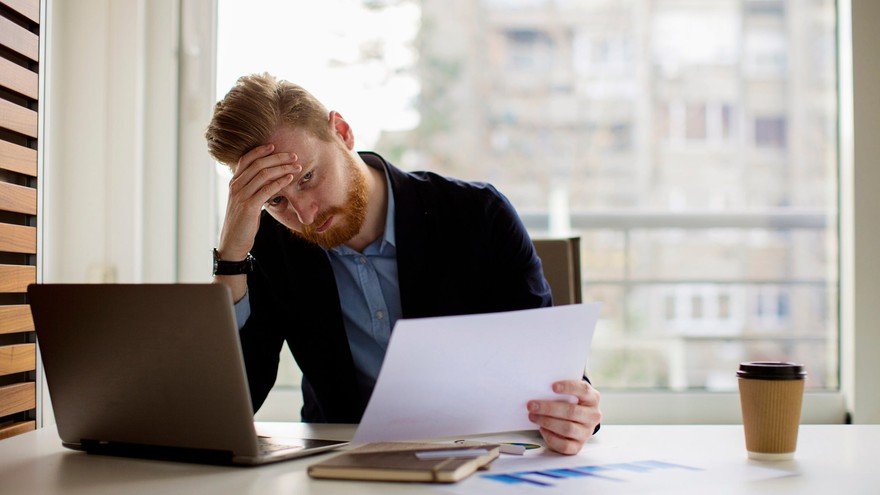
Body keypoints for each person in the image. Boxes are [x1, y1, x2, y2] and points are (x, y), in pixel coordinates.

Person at [204, 73, 601, 455]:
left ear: (342, 133)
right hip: (342, 467)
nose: (304, 215)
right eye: (276, 200)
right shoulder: (273, 248)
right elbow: (226, 411)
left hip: (480, 455)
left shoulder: (478, 215)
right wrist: (232, 257)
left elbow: (547, 373)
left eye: (307, 177)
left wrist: (574, 412)